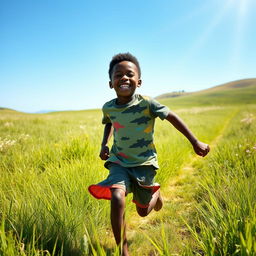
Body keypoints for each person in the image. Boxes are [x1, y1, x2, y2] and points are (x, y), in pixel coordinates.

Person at [88, 53, 210, 255]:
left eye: (130, 74)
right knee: (117, 196)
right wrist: (104, 144)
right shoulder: (108, 107)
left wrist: (195, 141)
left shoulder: (147, 104)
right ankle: (123, 251)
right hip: (118, 161)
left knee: (143, 211)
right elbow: (109, 122)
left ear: (139, 81)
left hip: (145, 163)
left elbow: (172, 117)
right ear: (111, 83)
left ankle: (155, 193)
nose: (124, 78)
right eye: (118, 75)